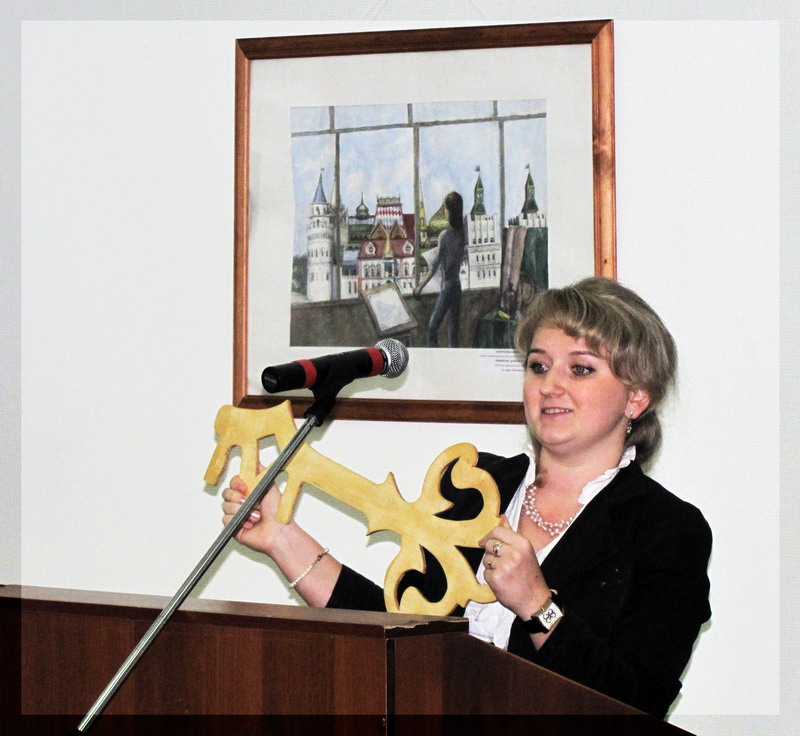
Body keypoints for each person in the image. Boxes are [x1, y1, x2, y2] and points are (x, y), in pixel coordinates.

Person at [221, 276, 712, 718]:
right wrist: (282, 539)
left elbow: (638, 702)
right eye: (538, 366)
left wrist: (537, 605)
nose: (550, 386)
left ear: (636, 397)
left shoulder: (668, 529)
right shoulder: (476, 484)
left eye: (580, 369)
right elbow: (403, 629)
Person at [413, 191, 467, 347]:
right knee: (453, 330)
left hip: (448, 287)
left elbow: (434, 266)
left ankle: (433, 357)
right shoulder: (462, 233)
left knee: (432, 327)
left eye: (446, 208)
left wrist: (419, 287)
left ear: (449, 211)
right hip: (457, 286)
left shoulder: (445, 235)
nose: (444, 211)